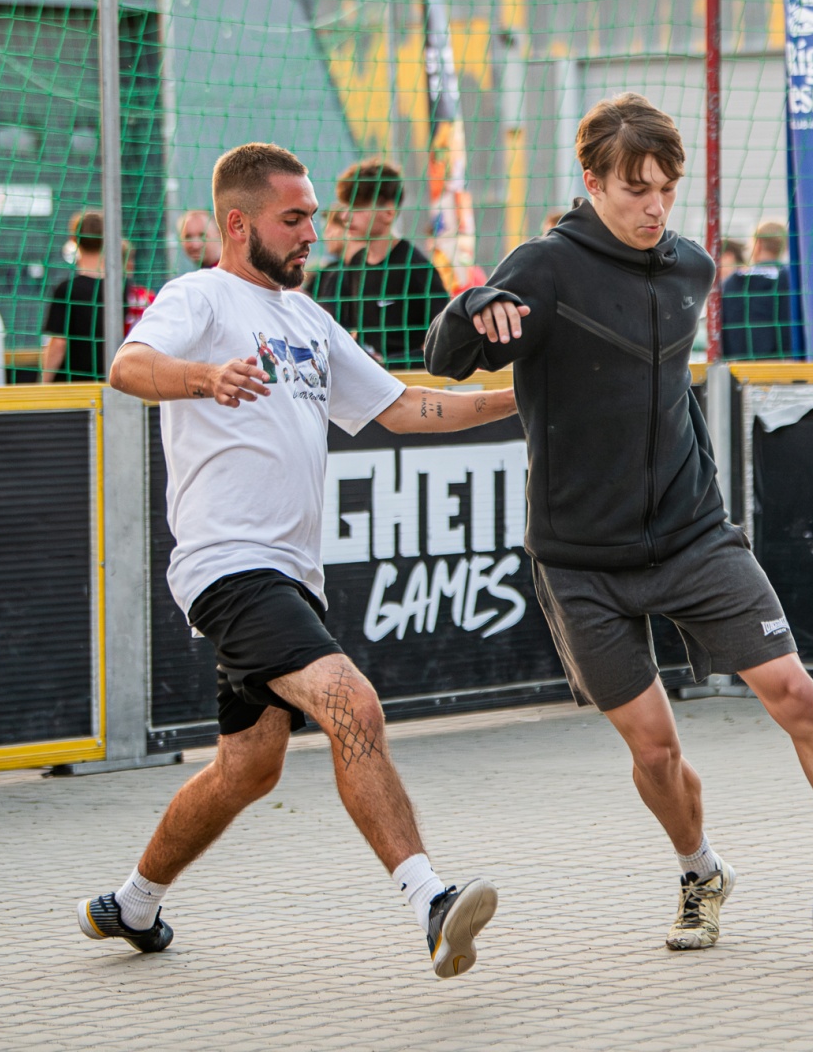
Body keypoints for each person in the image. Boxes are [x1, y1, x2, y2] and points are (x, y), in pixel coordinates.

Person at [425, 93, 813, 952]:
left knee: (796, 694)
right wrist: (470, 309)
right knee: (653, 748)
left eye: (667, 190)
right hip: (581, 560)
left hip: (693, 535)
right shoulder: (543, 268)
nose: (654, 207)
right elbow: (445, 357)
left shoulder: (690, 268)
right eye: (636, 189)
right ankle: (700, 872)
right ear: (593, 182)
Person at [77, 142, 518, 978]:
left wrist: (522, 396)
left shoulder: (309, 318)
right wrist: (205, 378)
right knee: (353, 704)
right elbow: (127, 366)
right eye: (295, 217)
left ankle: (132, 905)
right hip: (226, 567)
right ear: (239, 225)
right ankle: (431, 902)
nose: (314, 230)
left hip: (290, 577)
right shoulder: (199, 296)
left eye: (315, 215)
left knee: (247, 768)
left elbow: (404, 407)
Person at [312, 157, 451, 370]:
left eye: (358, 208)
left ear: (388, 212)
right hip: (366, 381)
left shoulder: (416, 268)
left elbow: (445, 341)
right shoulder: (355, 264)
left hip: (410, 381)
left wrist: (389, 364)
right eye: (346, 207)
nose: (346, 216)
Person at [40, 211, 144, 383]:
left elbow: (58, 343)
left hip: (73, 384)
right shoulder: (123, 286)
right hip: (112, 379)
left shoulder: (66, 290)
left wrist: (44, 382)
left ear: (74, 239)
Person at [719, 219, 803, 359]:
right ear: (785, 247)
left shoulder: (733, 281)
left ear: (757, 245)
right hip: (783, 364)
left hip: (738, 366)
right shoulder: (793, 279)